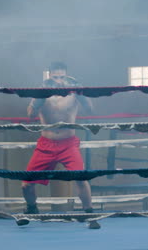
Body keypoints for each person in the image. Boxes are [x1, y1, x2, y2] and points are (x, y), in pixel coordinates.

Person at [22, 62, 94, 215]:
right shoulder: (42, 91)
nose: (59, 81)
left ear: (66, 76)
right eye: (56, 77)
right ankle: (32, 208)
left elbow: (90, 110)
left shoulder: (74, 92)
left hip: (68, 143)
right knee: (26, 185)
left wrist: (83, 95)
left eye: (62, 77)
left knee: (80, 178)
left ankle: (89, 212)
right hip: (46, 144)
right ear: (49, 76)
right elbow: (30, 115)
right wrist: (37, 102)